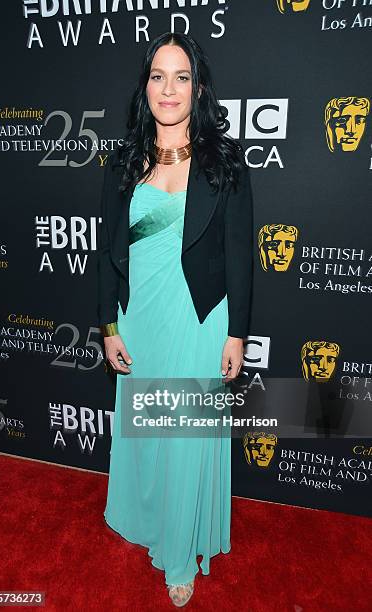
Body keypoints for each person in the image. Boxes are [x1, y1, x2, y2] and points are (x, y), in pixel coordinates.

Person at [97, 31, 254, 607]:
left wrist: (236, 332)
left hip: (199, 317)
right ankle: (151, 523)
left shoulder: (223, 164)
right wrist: (109, 325)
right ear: (145, 87)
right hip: (139, 316)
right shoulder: (123, 160)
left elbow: (241, 253)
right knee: (147, 433)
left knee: (185, 436)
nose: (169, 88)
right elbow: (110, 250)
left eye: (181, 76)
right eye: (158, 76)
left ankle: (180, 556)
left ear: (199, 87)